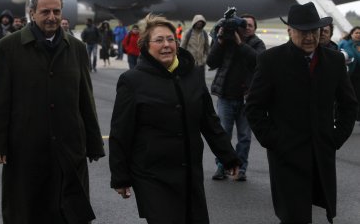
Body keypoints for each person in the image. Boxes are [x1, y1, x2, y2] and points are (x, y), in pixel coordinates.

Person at [109, 13, 240, 224]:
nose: (166, 45)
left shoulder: (193, 76)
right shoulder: (132, 81)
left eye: (171, 39)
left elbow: (209, 121)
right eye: (159, 40)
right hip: (153, 175)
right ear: (146, 45)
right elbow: (120, 132)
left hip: (189, 172)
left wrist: (228, 156)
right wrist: (120, 176)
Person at [0, 0, 105, 224]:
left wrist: (93, 143)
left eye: (56, 11)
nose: (52, 17)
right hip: (26, 149)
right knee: (27, 212)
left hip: (69, 149)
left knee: (69, 213)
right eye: (45, 12)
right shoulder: (9, 47)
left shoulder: (76, 49)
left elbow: (86, 99)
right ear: (32, 12)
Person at [245, 2, 358, 224]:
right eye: (303, 32)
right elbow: (254, 107)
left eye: (314, 31)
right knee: (293, 215)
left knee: (318, 204)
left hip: (321, 152)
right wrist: (273, 140)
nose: (309, 37)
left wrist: (336, 138)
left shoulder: (334, 61)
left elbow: (349, 104)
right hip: (286, 154)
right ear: (290, 31)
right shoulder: (271, 60)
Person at [207, 13, 266, 181]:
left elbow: (259, 62)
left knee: (244, 137)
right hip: (226, 95)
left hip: (247, 98)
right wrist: (219, 40)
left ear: (254, 29)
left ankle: (241, 168)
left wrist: (240, 44)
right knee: (223, 135)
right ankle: (222, 166)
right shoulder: (226, 41)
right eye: (244, 25)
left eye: (250, 26)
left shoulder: (257, 44)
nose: (246, 28)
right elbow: (211, 62)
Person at [339, 26, 360, 120]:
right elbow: (341, 54)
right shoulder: (345, 43)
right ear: (351, 34)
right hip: (349, 74)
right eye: (356, 33)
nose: (358, 35)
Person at [180, 14, 209, 79]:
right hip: (190, 64)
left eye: (201, 22)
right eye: (198, 22)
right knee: (190, 80)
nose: (199, 23)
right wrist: (184, 60)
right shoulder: (188, 33)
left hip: (201, 64)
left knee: (200, 81)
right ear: (195, 22)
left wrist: (205, 59)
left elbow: (207, 49)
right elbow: (182, 47)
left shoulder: (204, 33)